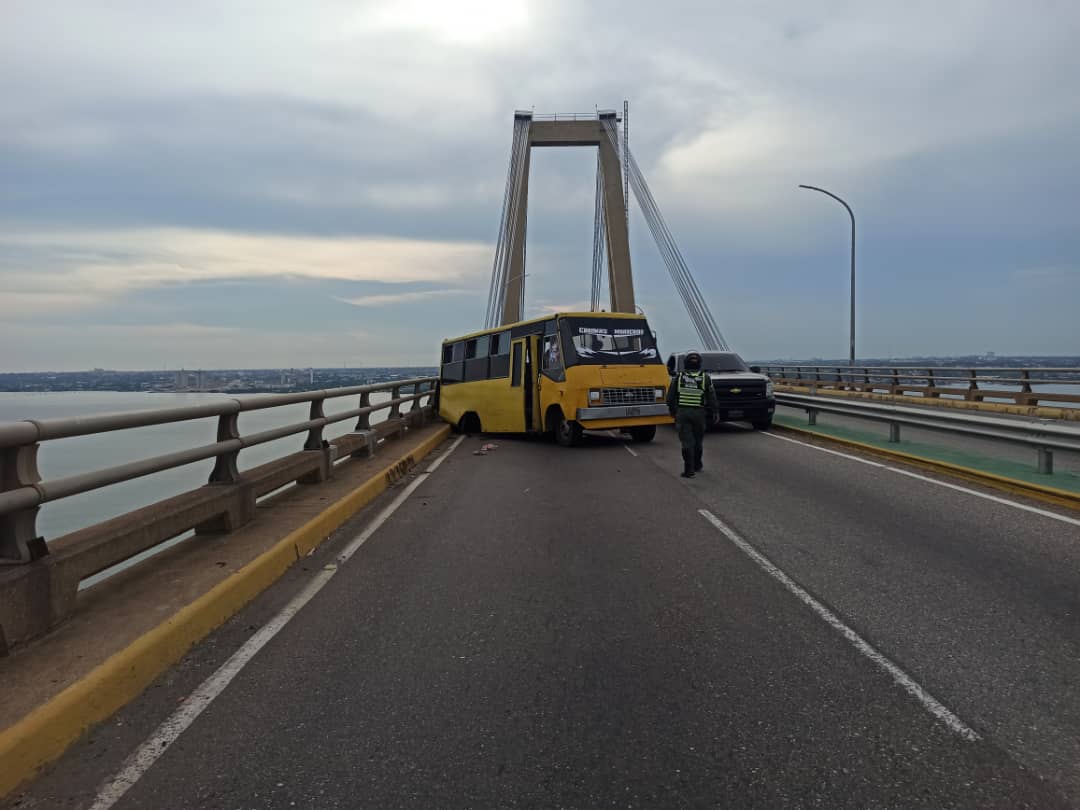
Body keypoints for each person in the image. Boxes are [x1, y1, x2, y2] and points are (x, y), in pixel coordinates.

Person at [666, 352, 717, 478]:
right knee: (698, 440)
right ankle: (697, 464)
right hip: (699, 413)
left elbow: (670, 398)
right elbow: (712, 397)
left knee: (687, 442)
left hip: (683, 413)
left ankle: (689, 469)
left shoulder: (678, 377)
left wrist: (673, 412)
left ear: (685, 364)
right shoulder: (705, 378)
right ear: (699, 364)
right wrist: (715, 411)